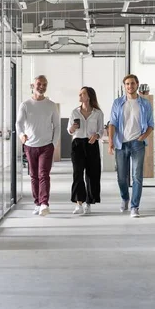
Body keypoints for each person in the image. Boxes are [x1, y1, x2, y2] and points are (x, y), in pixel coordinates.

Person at [107, 74, 154, 218]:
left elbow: (151, 124)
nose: (130, 86)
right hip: (121, 143)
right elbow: (112, 123)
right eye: (127, 84)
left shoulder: (145, 104)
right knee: (122, 177)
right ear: (124, 86)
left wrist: (143, 137)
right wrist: (110, 142)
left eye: (132, 83)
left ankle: (135, 206)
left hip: (137, 144)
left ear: (137, 84)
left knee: (137, 177)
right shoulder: (118, 103)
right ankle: (125, 198)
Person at [16, 75, 60, 216]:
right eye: (39, 84)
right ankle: (37, 203)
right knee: (34, 176)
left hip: (46, 146)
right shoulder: (25, 105)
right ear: (32, 86)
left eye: (44, 84)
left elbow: (57, 126)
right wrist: (21, 135)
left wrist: (53, 143)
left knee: (43, 174)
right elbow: (19, 123)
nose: (42, 86)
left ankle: (44, 203)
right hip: (30, 146)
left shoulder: (51, 105)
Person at [67, 86, 104, 214]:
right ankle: (79, 203)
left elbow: (101, 130)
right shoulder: (74, 112)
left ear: (89, 96)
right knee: (77, 173)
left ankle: (88, 202)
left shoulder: (98, 113)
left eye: (82, 94)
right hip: (77, 144)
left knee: (92, 174)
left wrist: (97, 136)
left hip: (91, 144)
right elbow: (69, 131)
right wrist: (72, 127)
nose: (80, 96)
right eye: (79, 94)